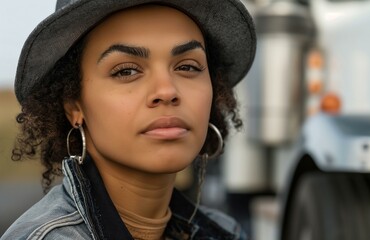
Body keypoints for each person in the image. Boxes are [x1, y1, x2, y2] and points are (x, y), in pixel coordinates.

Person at [1, 0, 256, 239]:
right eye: (126, 71)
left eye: (187, 67)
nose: (167, 91)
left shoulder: (225, 231)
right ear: (74, 106)